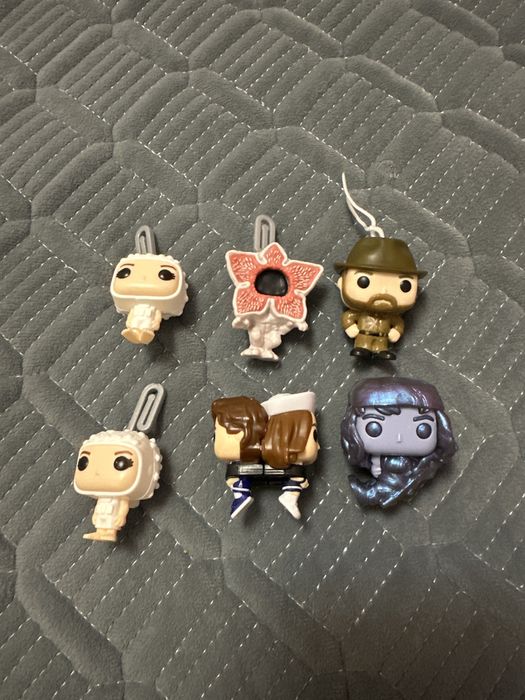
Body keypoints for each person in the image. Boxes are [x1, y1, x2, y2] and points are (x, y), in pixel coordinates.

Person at [341, 377, 456, 508]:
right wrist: (375, 466)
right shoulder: (377, 458)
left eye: (423, 429)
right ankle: (372, 494)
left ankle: (374, 494)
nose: (399, 437)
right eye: (374, 428)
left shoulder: (423, 465)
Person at [334, 237, 426, 359]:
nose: (384, 291)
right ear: (342, 283)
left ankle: (381, 350)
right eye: (363, 281)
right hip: (363, 335)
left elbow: (398, 323)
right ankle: (362, 347)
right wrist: (350, 327)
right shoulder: (360, 312)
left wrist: (396, 331)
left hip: (383, 337)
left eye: (405, 286)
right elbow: (349, 316)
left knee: (381, 346)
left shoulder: (392, 316)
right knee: (363, 344)